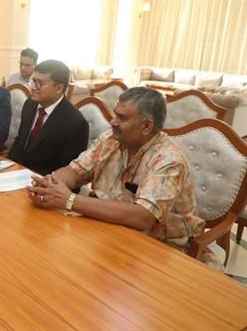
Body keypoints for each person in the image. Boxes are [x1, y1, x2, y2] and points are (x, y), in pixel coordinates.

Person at [26, 87, 221, 269]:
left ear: (147, 126)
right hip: (109, 231)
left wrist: (69, 200)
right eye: (115, 114)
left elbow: (142, 217)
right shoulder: (110, 139)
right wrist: (49, 185)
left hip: (161, 249)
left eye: (122, 118)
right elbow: (76, 171)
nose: (112, 122)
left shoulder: (168, 159)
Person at [8, 60, 88, 175]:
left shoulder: (76, 123)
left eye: (39, 83)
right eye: (33, 81)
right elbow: (20, 141)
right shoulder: (30, 104)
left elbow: (70, 170)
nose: (33, 87)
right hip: (17, 172)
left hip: (45, 180)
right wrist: (7, 166)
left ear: (59, 88)